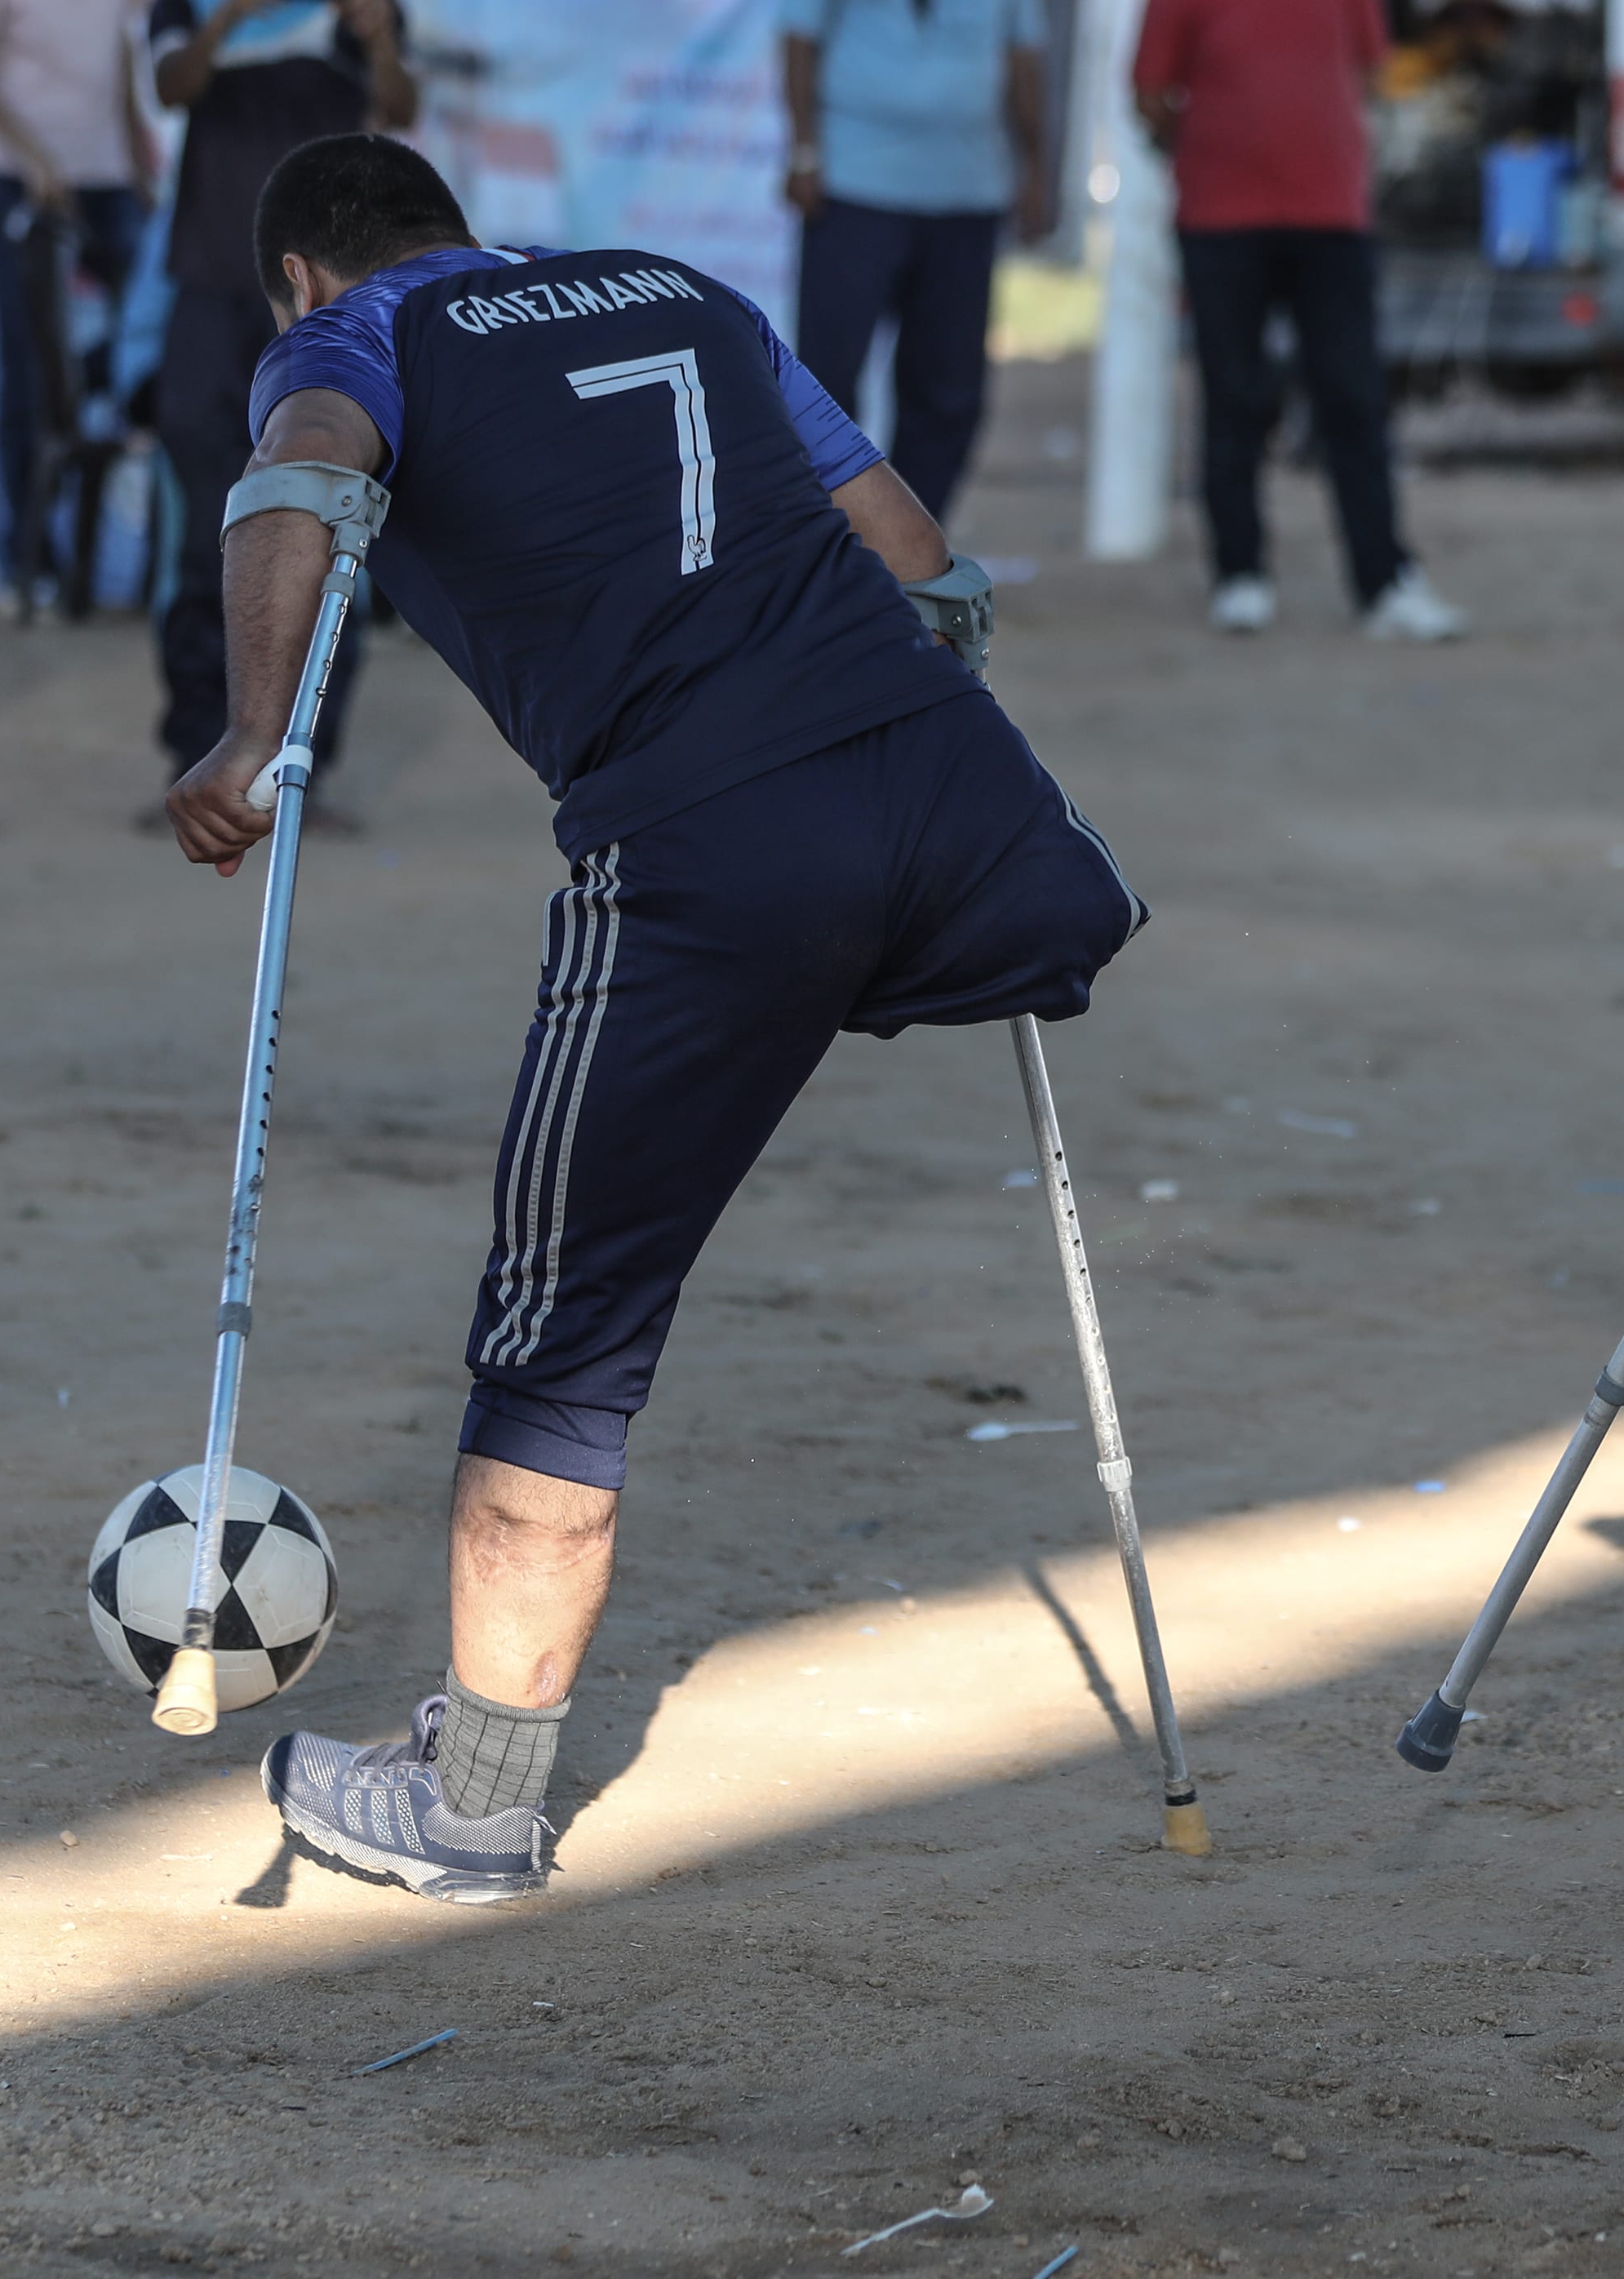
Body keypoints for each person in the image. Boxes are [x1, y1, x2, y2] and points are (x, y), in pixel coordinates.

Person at [165, 135, 1143, 1902]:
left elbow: (297, 480)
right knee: (842, 928)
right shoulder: (684, 291)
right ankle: (855, 927)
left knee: (563, 1326)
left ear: (302, 275)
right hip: (984, 836)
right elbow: (917, 557)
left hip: (708, 854)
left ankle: (472, 1802)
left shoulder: (353, 334)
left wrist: (254, 731)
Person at [146, 0, 415, 801]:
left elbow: (401, 106)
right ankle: (197, 760)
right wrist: (228, 19)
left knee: (333, 529)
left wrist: (378, 40)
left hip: (328, 298)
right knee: (202, 527)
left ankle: (303, 773)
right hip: (211, 287)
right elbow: (170, 85)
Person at [1130, 0, 1466, 641]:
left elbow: (1370, 72)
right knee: (1233, 395)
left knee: (1355, 399)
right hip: (1221, 221)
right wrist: (1216, 139)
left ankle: (1383, 579)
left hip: (1331, 216)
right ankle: (1239, 574)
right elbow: (1149, 93)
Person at [778, 0, 1054, 523]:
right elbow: (798, 39)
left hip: (967, 195)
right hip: (854, 190)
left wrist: (1037, 170)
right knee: (825, 381)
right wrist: (804, 152)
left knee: (949, 390)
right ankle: (825, 539)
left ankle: (914, 550)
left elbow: (1024, 59)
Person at [0, 0, 151, 608]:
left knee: (128, 375)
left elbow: (119, 57)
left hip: (109, 184)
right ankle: (26, 559)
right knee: (30, 375)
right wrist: (32, 157)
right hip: (20, 183)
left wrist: (138, 159)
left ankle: (113, 564)